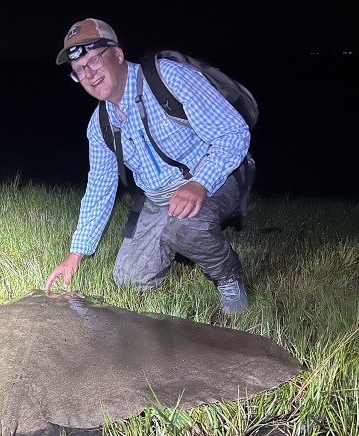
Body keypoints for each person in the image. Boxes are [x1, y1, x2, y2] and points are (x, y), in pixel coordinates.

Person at [44, 18, 252, 314]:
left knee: (186, 227)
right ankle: (183, 244)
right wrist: (75, 255)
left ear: (117, 55)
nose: (89, 74)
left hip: (217, 174)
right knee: (129, 280)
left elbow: (234, 133)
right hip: (159, 198)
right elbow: (99, 190)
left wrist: (199, 183)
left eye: (93, 61)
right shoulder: (99, 125)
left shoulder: (169, 78)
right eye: (79, 71)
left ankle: (228, 278)